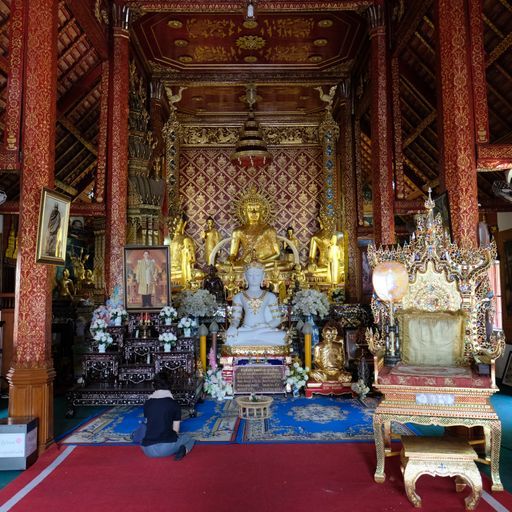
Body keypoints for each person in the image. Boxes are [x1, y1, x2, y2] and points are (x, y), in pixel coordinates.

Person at [225, 187, 293, 271]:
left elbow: (277, 253)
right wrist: (230, 260)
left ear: (263, 212)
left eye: (257, 210)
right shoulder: (238, 231)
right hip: (246, 263)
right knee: (219, 266)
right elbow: (233, 254)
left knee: (289, 264)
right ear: (244, 212)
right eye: (250, 210)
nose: (254, 213)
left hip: (265, 263)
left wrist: (261, 260)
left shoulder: (269, 230)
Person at [133, 372, 194, 460]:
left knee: (144, 429)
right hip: (165, 448)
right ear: (170, 385)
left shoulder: (148, 403)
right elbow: (176, 431)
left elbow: (147, 424)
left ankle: (134, 435)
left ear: (154, 385)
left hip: (146, 449)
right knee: (189, 439)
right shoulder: (174, 404)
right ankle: (184, 450)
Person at [225, 261, 287, 346]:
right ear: (245, 277)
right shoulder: (239, 296)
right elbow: (235, 318)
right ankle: (254, 335)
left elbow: (277, 319)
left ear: (263, 276)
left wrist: (265, 326)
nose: (254, 278)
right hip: (246, 330)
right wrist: (232, 327)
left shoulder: (270, 296)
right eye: (250, 275)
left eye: (257, 275)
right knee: (229, 337)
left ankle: (254, 335)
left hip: (265, 330)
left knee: (283, 336)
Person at [170, 215, 196, 287]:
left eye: (178, 223)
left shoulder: (187, 240)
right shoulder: (168, 240)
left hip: (183, 269)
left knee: (198, 274)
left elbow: (193, 261)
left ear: (184, 224)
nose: (176, 226)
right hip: (172, 270)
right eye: (174, 223)